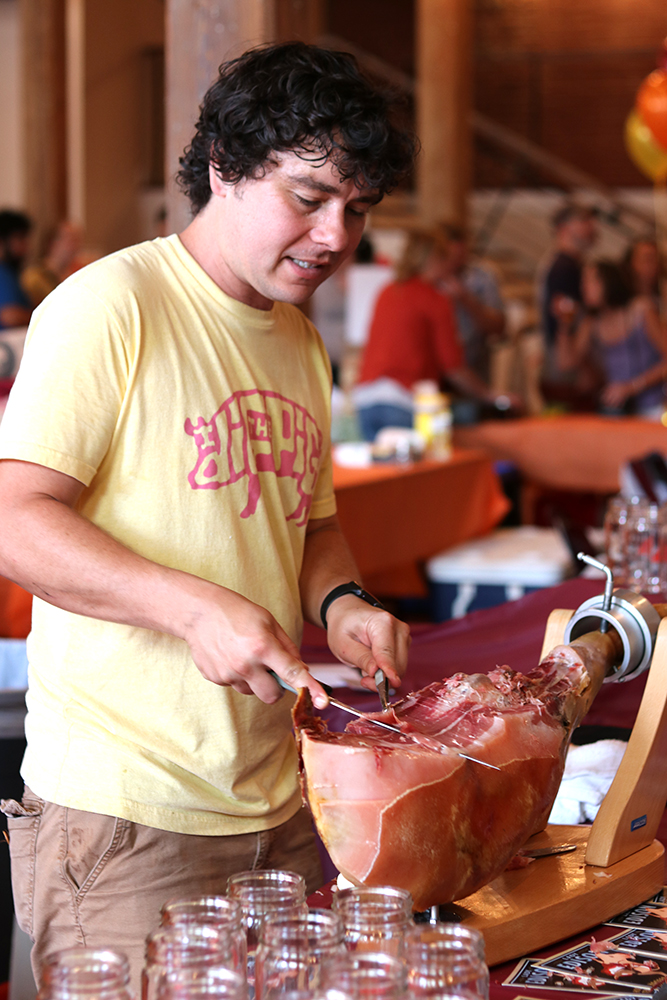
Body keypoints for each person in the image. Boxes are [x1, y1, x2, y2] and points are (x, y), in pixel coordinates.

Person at [0, 42, 414, 991]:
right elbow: (15, 520)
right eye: (308, 197)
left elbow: (308, 525)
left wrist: (342, 603)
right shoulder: (111, 306)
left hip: (280, 797)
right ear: (223, 167)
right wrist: (194, 610)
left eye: (357, 208)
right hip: (127, 816)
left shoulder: (297, 337)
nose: (334, 235)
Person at [353, 227, 511, 441]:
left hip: (365, 400)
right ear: (436, 259)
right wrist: (491, 396)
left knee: (382, 461)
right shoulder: (435, 299)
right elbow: (453, 367)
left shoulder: (388, 291)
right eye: (446, 257)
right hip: (404, 400)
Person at [555, 259, 667, 418]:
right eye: (582, 282)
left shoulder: (640, 310)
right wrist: (564, 325)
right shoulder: (592, 322)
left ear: (609, 281)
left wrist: (631, 387)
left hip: (655, 407)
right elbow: (566, 363)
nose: (583, 288)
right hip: (618, 411)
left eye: (590, 281)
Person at [437, 222, 505, 381]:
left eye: (460, 256)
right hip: (437, 369)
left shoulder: (482, 277)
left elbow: (498, 328)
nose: (454, 263)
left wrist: (466, 299)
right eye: (449, 257)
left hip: (474, 366)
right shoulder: (429, 278)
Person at [21, 220, 84, 307]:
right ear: (52, 243)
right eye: (70, 240)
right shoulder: (34, 276)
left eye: (77, 240)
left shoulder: (76, 274)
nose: (75, 246)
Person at [0, 209, 33, 329]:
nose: (26, 246)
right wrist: (39, 316)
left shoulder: (12, 273)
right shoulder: (3, 274)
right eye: (20, 238)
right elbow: (9, 316)